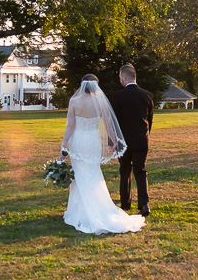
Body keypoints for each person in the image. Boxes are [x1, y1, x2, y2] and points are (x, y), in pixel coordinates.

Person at [59, 74, 146, 234]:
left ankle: (80, 210)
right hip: (93, 141)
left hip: (79, 141)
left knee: (79, 174)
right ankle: (96, 206)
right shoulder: (100, 101)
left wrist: (63, 147)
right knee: (93, 172)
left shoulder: (74, 101)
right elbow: (108, 124)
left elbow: (70, 127)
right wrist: (114, 142)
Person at [108, 64, 154, 217]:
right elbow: (150, 120)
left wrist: (111, 142)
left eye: (120, 78)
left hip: (124, 141)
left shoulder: (118, 96)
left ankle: (125, 204)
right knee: (140, 171)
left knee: (125, 171)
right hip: (142, 140)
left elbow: (114, 122)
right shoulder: (147, 95)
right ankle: (144, 204)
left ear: (125, 77)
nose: (120, 80)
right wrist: (146, 136)